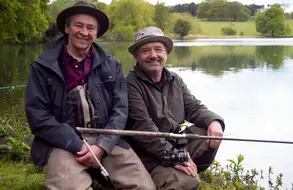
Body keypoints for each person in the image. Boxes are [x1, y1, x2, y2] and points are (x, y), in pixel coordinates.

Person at [24, 1, 155, 189]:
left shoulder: (113, 65)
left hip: (107, 139)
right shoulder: (42, 66)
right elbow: (38, 116)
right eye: (78, 25)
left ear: (96, 32)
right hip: (64, 142)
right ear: (67, 28)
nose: (84, 32)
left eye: (90, 28)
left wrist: (102, 146)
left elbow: (121, 109)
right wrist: (77, 145)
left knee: (144, 187)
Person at [125, 26, 226, 190]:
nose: (153, 55)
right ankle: (172, 174)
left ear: (166, 53)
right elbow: (143, 129)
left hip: (175, 142)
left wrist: (214, 121)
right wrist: (174, 156)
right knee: (189, 183)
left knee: (209, 135)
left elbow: (194, 107)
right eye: (145, 51)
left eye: (158, 49)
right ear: (136, 55)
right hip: (147, 153)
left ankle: (188, 169)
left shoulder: (175, 79)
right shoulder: (129, 83)